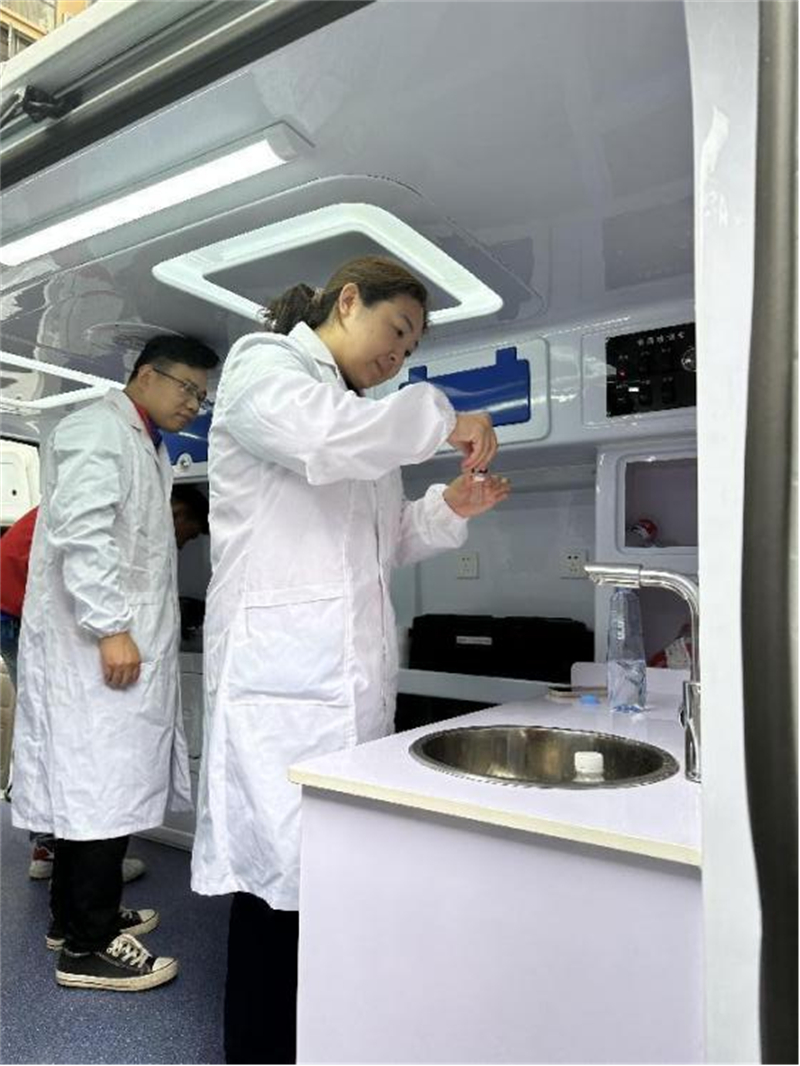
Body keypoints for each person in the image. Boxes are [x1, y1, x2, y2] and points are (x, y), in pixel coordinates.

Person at [190, 256, 510, 1063]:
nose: (397, 354)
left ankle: (324, 1039)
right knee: (278, 889)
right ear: (348, 300)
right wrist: (444, 416)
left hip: (348, 689)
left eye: (411, 350)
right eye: (395, 331)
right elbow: (322, 438)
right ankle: (260, 1053)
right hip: (281, 688)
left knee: (328, 883)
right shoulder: (266, 368)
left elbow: (383, 541)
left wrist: (448, 506)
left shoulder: (360, 416)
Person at [10, 334, 219, 992]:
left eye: (201, 395)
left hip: (110, 653)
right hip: (94, 652)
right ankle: (87, 947)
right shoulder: (97, 431)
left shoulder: (144, 444)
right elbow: (83, 532)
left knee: (98, 789)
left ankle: (72, 917)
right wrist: (111, 628)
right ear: (146, 375)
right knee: (99, 790)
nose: (193, 404)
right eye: (186, 388)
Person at [0, 483, 210, 881]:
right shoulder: (117, 512)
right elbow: (87, 572)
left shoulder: (106, 504)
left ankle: (55, 850)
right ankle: (63, 853)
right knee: (59, 735)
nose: (183, 544)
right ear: (178, 512)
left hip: (9, 603)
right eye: (190, 534)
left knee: (51, 731)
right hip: (14, 608)